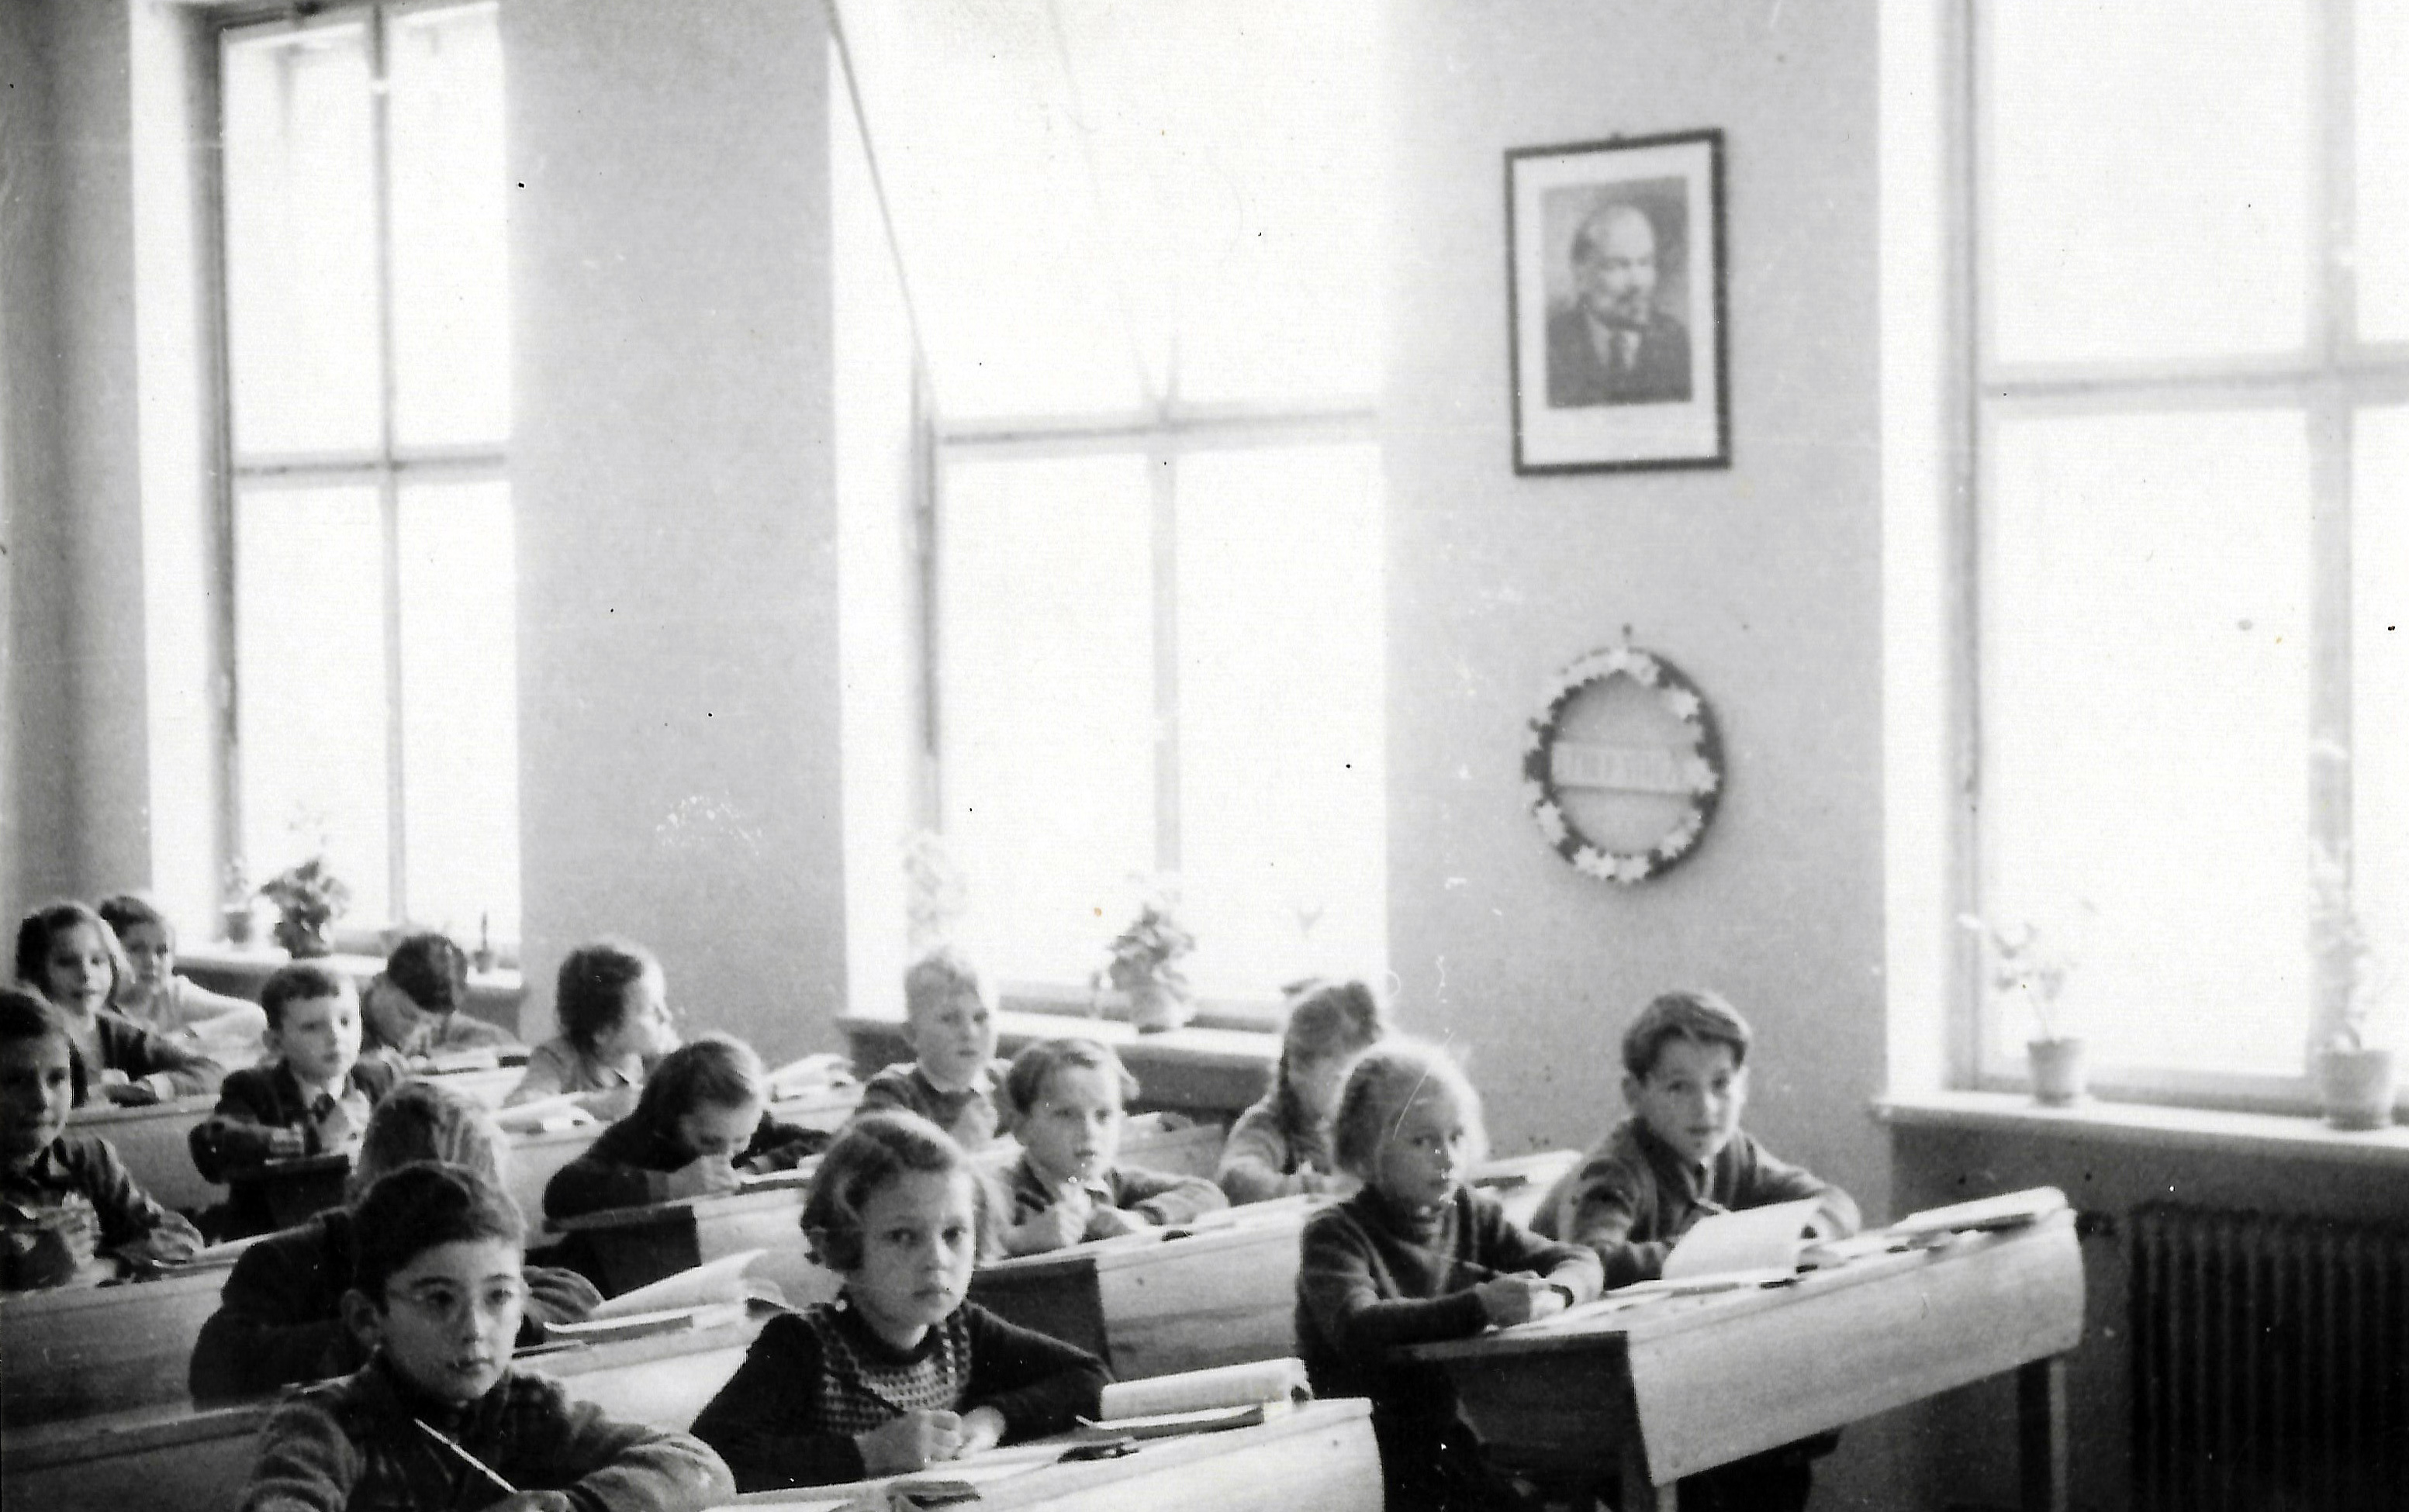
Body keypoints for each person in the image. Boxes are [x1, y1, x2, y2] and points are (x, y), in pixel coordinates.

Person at [236, 1162, 733, 1512]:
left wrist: (572, 1507)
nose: (474, 1329)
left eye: (498, 1297)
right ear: (367, 1318)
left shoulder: (529, 1407)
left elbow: (697, 1464)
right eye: (438, 1300)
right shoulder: (326, 1423)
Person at [1533, 989, 1861, 1512]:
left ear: (1743, 1085)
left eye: (1721, 1084)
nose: (1705, 1108)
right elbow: (1592, 1261)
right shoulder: (1616, 1170)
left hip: (1673, 1376)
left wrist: (1802, 1234)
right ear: (1635, 1093)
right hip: (1576, 1390)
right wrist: (1713, 1247)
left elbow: (1833, 1202)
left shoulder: (1733, 1151)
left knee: (1781, 1455)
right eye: (1678, 1087)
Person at [690, 1111, 1108, 1490]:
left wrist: (994, 1418)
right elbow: (708, 1457)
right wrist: (868, 1452)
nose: (937, 1260)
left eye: (954, 1234)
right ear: (841, 1246)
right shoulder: (801, 1346)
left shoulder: (962, 1331)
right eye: (903, 1237)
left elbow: (1088, 1375)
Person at [1295, 1040, 1603, 1512]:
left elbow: (1580, 1259)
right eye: (1423, 1141)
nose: (1446, 1157)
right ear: (1366, 1148)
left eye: (1457, 1137)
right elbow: (1359, 1325)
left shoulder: (1470, 1213)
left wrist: (1557, 1294)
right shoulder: (1334, 1233)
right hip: (1367, 1457)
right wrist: (1479, 1306)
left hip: (1449, 1447)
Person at [189, 1079, 603, 1403]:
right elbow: (217, 1361)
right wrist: (396, 1337)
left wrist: (499, 1319)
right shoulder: (287, 1260)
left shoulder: (475, 1255)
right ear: (367, 1195)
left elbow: (573, 1293)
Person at [0, 988, 202, 1290]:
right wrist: (22, 1274)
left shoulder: (88, 1160)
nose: (42, 1100)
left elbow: (180, 1237)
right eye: (15, 1081)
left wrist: (106, 1266)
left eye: (57, 1079)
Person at [188, 962, 399, 1240]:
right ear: (275, 1043)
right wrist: (312, 1140)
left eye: (346, 1021)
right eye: (312, 1027)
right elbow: (212, 1142)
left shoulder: (377, 1080)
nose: (335, 1036)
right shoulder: (252, 1088)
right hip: (274, 1238)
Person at [542, 1033, 832, 1223]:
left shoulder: (744, 1125)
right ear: (673, 1120)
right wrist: (673, 1185)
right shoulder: (641, 1134)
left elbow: (829, 1143)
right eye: (709, 1142)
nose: (725, 1155)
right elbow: (561, 1193)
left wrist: (755, 1169)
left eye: (741, 1140)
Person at [994, 1037, 1225, 1256]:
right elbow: (978, 1244)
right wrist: (1020, 1240)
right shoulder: (1001, 1193)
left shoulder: (1110, 1182)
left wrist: (1142, 1218)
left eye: (1103, 1115)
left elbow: (1207, 1194)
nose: (1089, 1132)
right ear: (1021, 1128)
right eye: (1066, 1115)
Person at [14, 899, 224, 1104]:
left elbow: (211, 1071)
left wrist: (152, 1086)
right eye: (67, 962)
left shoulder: (114, 1031)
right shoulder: (20, 1036)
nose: (86, 974)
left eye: (97, 961)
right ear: (36, 970)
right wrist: (92, 1089)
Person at [1216, 976, 1386, 1203]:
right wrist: (1328, 1189)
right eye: (1342, 1079)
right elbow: (1237, 1180)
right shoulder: (1270, 1124)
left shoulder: (1366, 1125)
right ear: (1297, 1070)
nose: (1360, 1093)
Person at [852, 946, 1012, 1151]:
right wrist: (952, 1145)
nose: (970, 1033)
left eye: (980, 1017)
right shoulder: (894, 1094)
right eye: (949, 1019)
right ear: (912, 1034)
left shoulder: (1010, 1081)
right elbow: (864, 1164)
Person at [505, 939, 679, 1119]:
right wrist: (594, 1106)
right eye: (650, 1010)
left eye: (663, 1003)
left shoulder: (657, 1059)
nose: (666, 1017)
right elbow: (517, 1110)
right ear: (603, 1031)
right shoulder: (559, 1058)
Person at [1544, 200, 1692, 408]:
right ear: (1581, 275)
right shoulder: (1548, 347)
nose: (1638, 283)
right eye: (1618, 266)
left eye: (1645, 263)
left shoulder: (1676, 343)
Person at [97, 893, 269, 1061]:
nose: (152, 962)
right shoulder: (95, 1001)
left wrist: (183, 1036)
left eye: (162, 951)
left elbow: (256, 1017)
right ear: (107, 951)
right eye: (136, 949)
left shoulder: (172, 994)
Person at [360, 930, 519, 1065]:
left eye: (429, 1023)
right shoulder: (348, 1014)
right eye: (406, 1015)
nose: (413, 1032)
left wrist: (429, 1061)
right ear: (380, 981)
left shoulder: (433, 1022)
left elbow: (503, 1043)